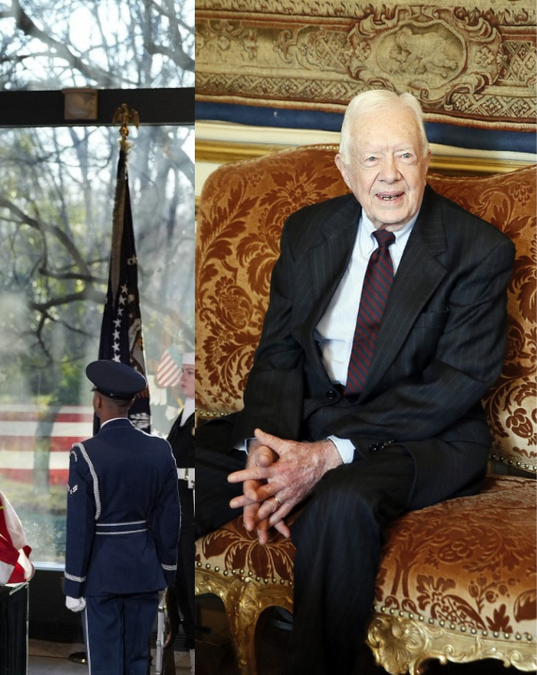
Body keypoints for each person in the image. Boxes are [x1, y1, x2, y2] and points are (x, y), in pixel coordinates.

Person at [194, 90, 515, 674]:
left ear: (426, 159)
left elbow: (457, 382)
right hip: (318, 413)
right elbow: (279, 352)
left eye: (404, 156)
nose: (389, 176)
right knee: (180, 462)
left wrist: (326, 456)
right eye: (371, 158)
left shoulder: (478, 250)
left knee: (341, 502)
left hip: (426, 432)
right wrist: (266, 446)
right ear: (344, 168)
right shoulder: (308, 231)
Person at [64, 360, 180, 675]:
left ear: (97, 402)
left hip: (102, 575)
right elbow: (169, 522)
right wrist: (167, 573)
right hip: (144, 571)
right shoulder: (160, 451)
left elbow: (80, 528)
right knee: (136, 662)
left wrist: (73, 585)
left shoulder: (85, 454)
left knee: (105, 664)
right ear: (131, 403)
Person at [165, 351, 194, 653]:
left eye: (190, 372)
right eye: (184, 371)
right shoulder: (185, 413)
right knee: (179, 583)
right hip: (178, 511)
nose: (183, 378)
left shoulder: (202, 417)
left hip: (193, 512)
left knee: (189, 579)